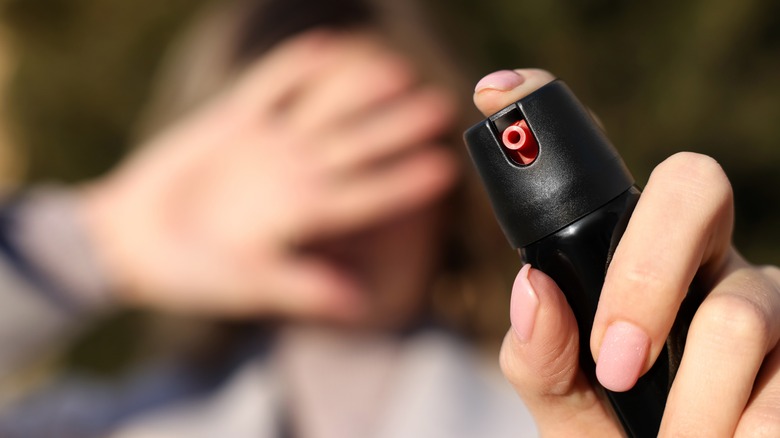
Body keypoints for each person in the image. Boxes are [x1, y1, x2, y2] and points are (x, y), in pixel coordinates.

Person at [0, 1, 778, 437]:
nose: (332, 198)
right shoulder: (88, 426)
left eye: (380, 149)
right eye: (288, 148)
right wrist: (95, 242)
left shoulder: (571, 417)